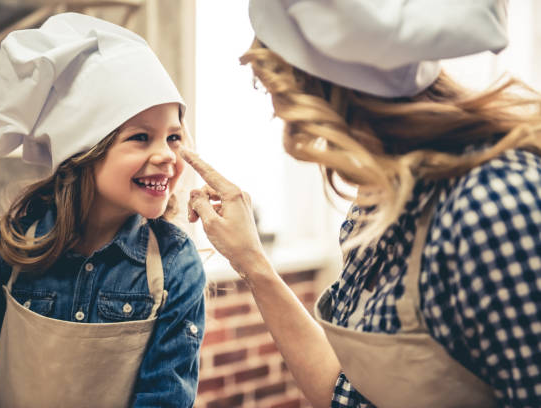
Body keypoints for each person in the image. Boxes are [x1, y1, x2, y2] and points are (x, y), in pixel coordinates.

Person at [182, 1, 540, 407]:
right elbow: (346, 395)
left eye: (268, 85)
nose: (276, 110)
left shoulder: (497, 207)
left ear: (314, 91)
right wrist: (251, 261)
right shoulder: (373, 207)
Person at [0, 12, 205, 408]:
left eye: (174, 136)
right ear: (84, 152)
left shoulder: (177, 266)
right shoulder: (9, 247)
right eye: (141, 137)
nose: (166, 155)